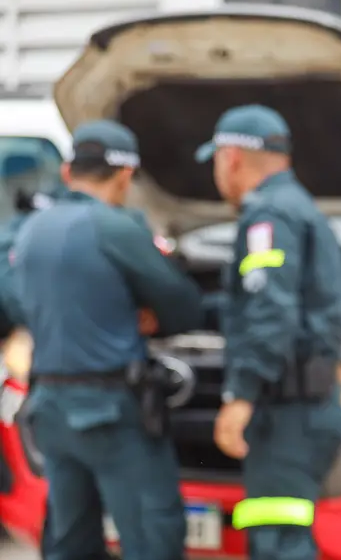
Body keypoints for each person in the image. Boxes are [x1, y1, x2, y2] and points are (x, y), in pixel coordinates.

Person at [14, 119, 204, 560]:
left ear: (67, 172)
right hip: (111, 416)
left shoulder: (29, 232)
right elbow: (183, 306)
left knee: (70, 539)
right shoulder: (115, 228)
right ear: (124, 175)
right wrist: (149, 316)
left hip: (52, 412)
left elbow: (20, 306)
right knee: (151, 534)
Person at [195, 104, 341, 560]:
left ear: (232, 159)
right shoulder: (295, 208)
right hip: (301, 407)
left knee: (278, 536)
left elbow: (271, 312)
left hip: (286, 414)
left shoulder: (269, 216)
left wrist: (240, 396)